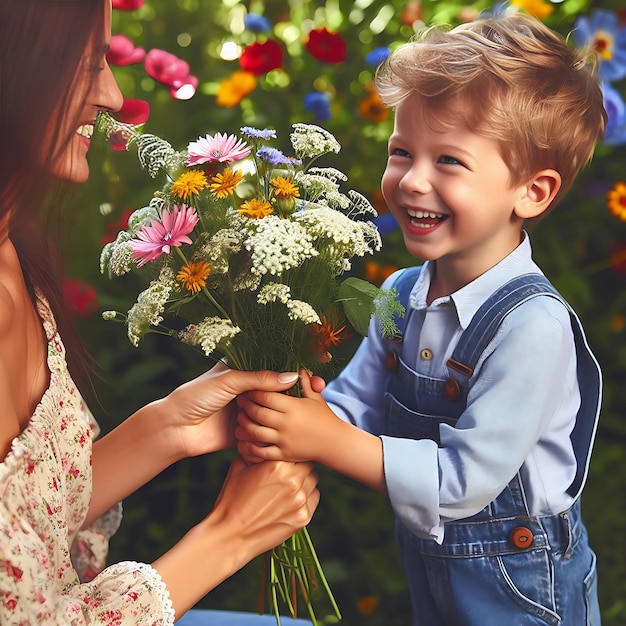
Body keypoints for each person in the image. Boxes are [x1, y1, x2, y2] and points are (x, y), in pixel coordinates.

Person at [235, 12, 607, 625]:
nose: (411, 181)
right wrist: (287, 418)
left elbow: (463, 482)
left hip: (522, 583)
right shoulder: (403, 292)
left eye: (449, 162)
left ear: (532, 193)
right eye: (402, 152)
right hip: (436, 563)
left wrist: (327, 440)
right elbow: (356, 400)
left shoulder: (531, 328)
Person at [0, 1, 320, 623]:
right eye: (88, 64)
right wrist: (231, 532)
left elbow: (28, 509)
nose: (113, 97)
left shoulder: (13, 251)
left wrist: (174, 427)